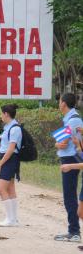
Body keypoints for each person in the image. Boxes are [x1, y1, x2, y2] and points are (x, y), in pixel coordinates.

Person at [53, 93, 82, 242]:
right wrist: (58, 143)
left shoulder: (72, 120)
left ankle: (74, 231)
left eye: (59, 101)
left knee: (69, 196)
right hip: (72, 157)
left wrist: (57, 144)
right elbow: (61, 142)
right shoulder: (73, 118)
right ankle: (74, 230)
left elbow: (62, 143)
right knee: (70, 195)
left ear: (63, 103)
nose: (59, 104)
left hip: (70, 159)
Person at [0, 104, 22, 227]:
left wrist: (1, 163)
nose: (0, 116)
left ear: (6, 114)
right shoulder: (9, 127)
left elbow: (11, 149)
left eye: (1, 113)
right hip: (8, 159)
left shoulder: (15, 128)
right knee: (10, 188)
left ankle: (10, 218)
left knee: (1, 189)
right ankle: (14, 219)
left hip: (10, 159)